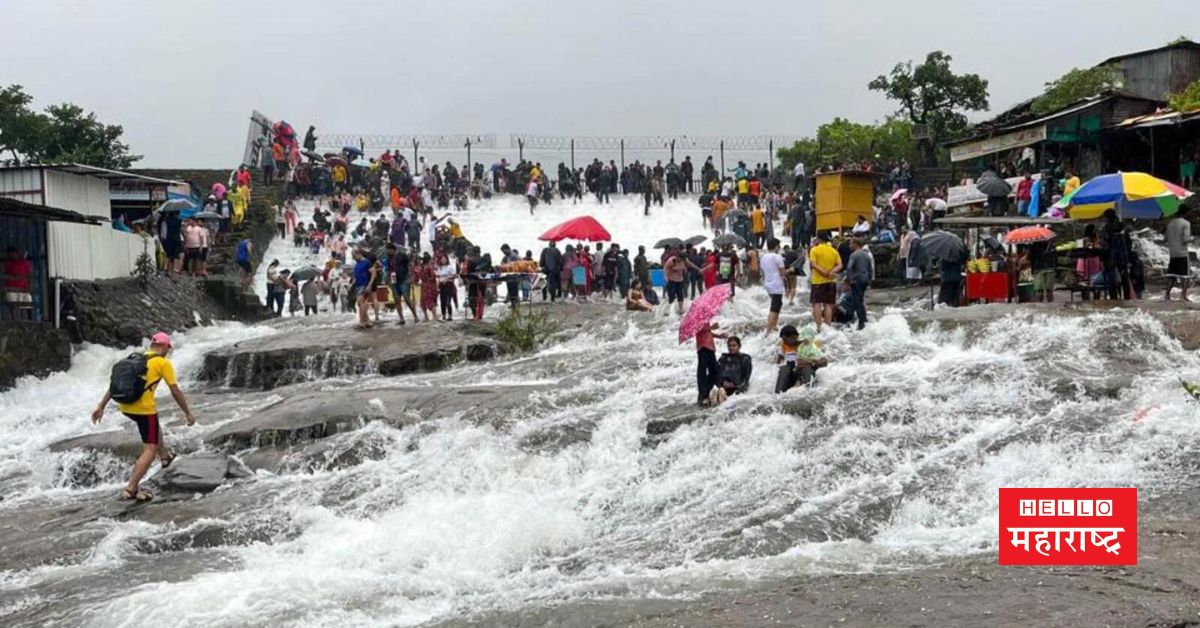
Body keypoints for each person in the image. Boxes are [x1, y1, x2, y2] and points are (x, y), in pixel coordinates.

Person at [91, 333, 196, 502]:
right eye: (168, 348)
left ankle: (165, 457)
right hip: (143, 410)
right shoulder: (163, 363)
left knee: (154, 424)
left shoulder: (135, 359)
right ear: (164, 347)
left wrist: (101, 407)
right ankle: (131, 488)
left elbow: (115, 385)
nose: (169, 352)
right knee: (150, 448)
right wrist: (188, 413)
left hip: (125, 406)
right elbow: (175, 391)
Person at [774, 325, 828, 394]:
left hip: (806, 373)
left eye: (785, 340)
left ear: (794, 337)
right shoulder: (784, 345)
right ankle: (778, 395)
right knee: (784, 369)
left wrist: (810, 361)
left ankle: (810, 393)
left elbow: (825, 362)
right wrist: (776, 364)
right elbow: (780, 357)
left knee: (807, 367)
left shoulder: (809, 343)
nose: (784, 342)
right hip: (793, 373)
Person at [808, 233, 842, 331]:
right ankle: (828, 326)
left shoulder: (814, 250)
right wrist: (831, 272)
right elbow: (840, 265)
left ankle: (818, 327)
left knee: (817, 304)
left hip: (818, 281)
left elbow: (814, 265)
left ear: (818, 239)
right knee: (828, 304)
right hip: (831, 281)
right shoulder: (834, 251)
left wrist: (824, 273)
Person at [712, 336, 753, 405]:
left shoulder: (745, 359)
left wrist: (735, 386)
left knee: (721, 393)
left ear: (739, 346)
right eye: (729, 346)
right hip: (724, 388)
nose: (731, 348)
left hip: (737, 390)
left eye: (734, 345)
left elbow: (746, 379)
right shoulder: (723, 358)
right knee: (714, 392)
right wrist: (722, 383)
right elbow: (716, 374)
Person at [695, 321, 728, 407]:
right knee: (702, 372)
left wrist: (719, 336)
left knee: (714, 370)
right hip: (703, 348)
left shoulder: (705, 320)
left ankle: (711, 389)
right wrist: (711, 327)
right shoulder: (697, 320)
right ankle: (703, 394)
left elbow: (708, 333)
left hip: (710, 348)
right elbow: (697, 330)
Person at [760, 238, 788, 334]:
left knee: (778, 304)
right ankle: (768, 330)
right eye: (778, 246)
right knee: (774, 307)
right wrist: (791, 270)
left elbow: (763, 271)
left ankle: (774, 326)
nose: (779, 248)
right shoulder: (777, 257)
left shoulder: (763, 257)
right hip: (776, 285)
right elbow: (782, 272)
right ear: (775, 246)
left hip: (768, 284)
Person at [1165, 206, 1193, 301]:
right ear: (1186, 213)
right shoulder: (1186, 223)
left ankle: (1167, 295)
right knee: (1185, 275)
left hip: (1172, 253)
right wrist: (1191, 239)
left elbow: (1166, 238)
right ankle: (1183, 296)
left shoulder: (1170, 223)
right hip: (1182, 252)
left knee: (1172, 274)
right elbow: (1185, 239)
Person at [845, 237, 873, 330]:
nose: (849, 246)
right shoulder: (866, 255)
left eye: (851, 243)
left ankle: (862, 322)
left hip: (856, 279)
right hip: (865, 280)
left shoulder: (854, 255)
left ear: (855, 244)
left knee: (857, 301)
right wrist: (869, 280)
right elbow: (870, 269)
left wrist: (850, 279)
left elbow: (849, 268)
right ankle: (863, 320)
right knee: (861, 299)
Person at [387, 244, 418, 324]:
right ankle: (401, 319)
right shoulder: (389, 258)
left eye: (389, 250)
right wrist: (389, 281)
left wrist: (411, 275)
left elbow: (410, 263)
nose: (388, 251)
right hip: (394, 281)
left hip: (404, 279)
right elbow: (389, 269)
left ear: (393, 250)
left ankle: (415, 316)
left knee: (406, 298)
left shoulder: (401, 255)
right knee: (396, 299)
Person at [352, 249, 375, 329]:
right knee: (360, 304)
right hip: (358, 285)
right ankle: (368, 321)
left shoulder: (367, 262)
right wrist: (352, 283)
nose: (353, 258)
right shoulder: (357, 264)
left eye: (354, 256)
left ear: (359, 254)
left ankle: (361, 321)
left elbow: (373, 273)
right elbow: (356, 275)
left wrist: (369, 285)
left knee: (361, 302)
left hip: (365, 285)